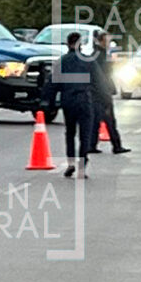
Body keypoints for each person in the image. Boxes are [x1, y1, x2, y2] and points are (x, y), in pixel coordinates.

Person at [40, 32, 109, 179]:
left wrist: (47, 102)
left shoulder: (62, 61)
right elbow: (100, 83)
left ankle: (70, 162)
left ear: (67, 44)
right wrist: (105, 102)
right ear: (81, 45)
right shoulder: (89, 61)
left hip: (68, 101)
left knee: (70, 132)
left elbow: (52, 84)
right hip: (85, 100)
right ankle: (82, 166)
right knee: (85, 134)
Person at [88, 31, 131, 155]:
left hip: (98, 92)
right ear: (102, 41)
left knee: (96, 120)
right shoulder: (99, 56)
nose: (109, 43)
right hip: (102, 93)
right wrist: (106, 92)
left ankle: (92, 145)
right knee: (109, 121)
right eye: (107, 40)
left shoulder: (98, 54)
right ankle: (116, 146)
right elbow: (101, 76)